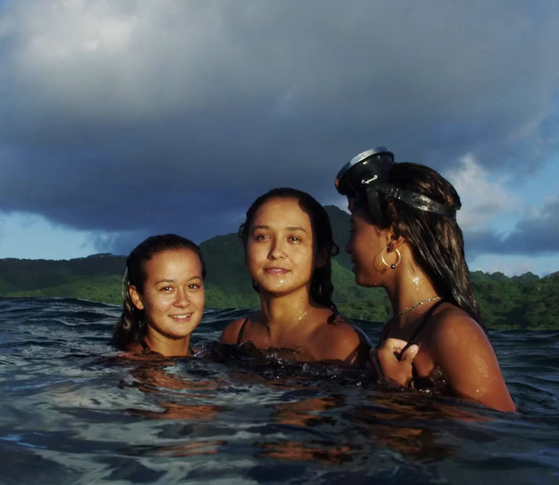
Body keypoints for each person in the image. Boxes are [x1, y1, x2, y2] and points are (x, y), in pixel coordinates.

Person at [335, 148, 516, 412]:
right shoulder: (396, 328)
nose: (349, 247)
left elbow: (494, 439)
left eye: (354, 230)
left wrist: (396, 391)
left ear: (394, 235)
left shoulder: (454, 332)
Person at [221, 188, 368, 364]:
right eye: (263, 237)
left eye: (294, 239)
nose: (276, 252)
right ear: (246, 250)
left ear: (321, 255)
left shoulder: (342, 343)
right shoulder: (235, 334)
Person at [111, 234, 206, 357]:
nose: (183, 301)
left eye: (192, 286)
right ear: (137, 298)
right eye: (166, 289)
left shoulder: (209, 358)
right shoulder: (130, 367)